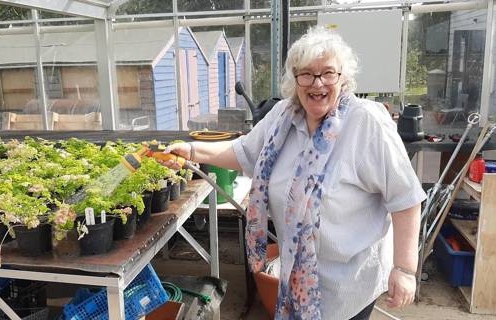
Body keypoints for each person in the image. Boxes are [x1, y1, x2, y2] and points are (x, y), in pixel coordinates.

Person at [161, 26, 425, 320]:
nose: (317, 83)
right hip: (297, 277)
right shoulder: (283, 117)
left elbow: (406, 198)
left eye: (328, 73)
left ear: (343, 77)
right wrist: (191, 150)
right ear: (294, 78)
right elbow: (244, 152)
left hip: (350, 282)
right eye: (306, 74)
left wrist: (404, 269)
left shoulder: (366, 122)